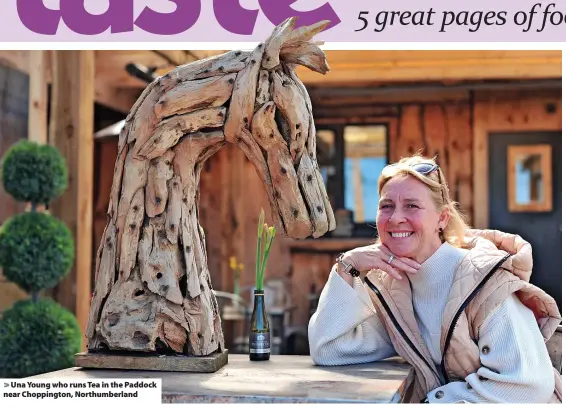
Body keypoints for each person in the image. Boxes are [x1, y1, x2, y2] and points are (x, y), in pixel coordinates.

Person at [308, 155, 561, 403]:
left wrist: (434, 401)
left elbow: (528, 386)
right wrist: (347, 265)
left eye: (411, 206)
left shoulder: (486, 280)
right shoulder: (393, 290)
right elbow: (329, 349)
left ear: (442, 219)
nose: (396, 218)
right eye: (386, 206)